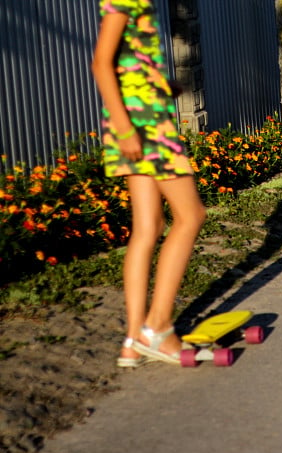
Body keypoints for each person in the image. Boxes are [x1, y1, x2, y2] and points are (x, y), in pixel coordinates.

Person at [92, 0, 206, 367]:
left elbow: (128, 62)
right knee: (191, 216)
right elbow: (101, 63)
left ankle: (133, 339)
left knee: (148, 227)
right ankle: (157, 329)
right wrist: (126, 129)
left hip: (141, 118)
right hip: (143, 128)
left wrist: (161, 86)